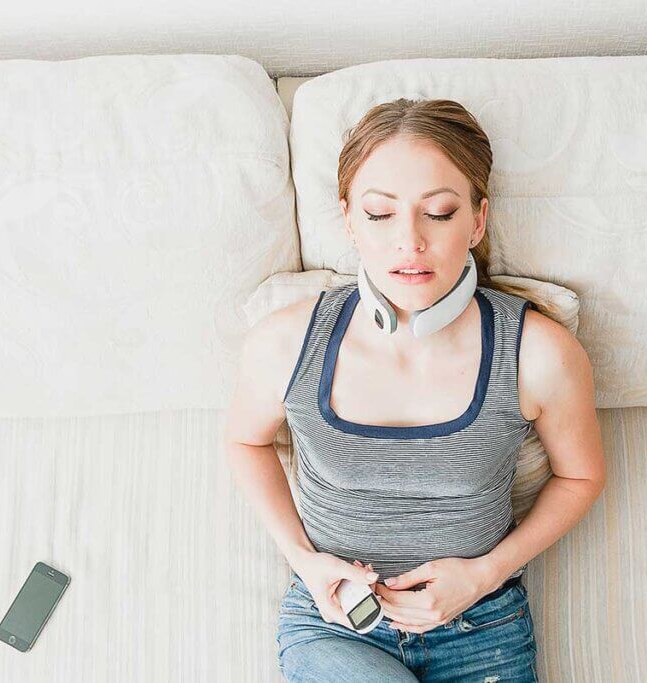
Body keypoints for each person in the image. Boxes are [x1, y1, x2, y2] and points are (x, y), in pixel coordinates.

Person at [224, 98, 606, 682]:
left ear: (477, 221)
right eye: (380, 215)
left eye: (440, 212)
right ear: (349, 220)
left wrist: (484, 574)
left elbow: (581, 476)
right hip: (337, 623)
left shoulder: (541, 354)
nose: (410, 241)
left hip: (480, 627)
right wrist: (305, 562)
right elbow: (244, 443)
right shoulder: (282, 344)